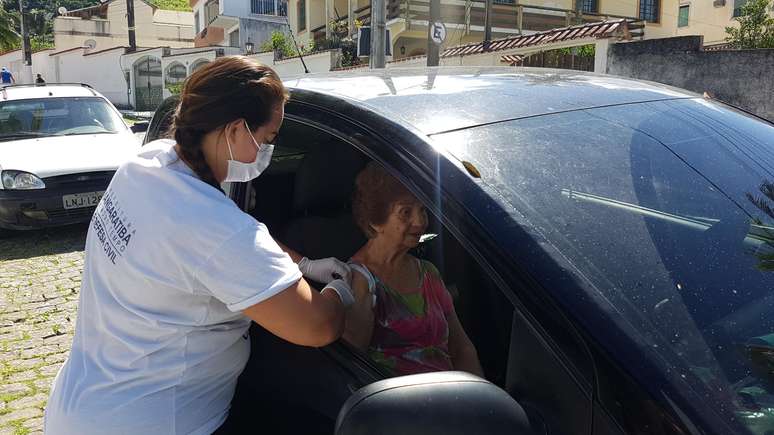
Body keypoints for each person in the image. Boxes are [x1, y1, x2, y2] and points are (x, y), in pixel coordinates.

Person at [44, 56, 355, 435]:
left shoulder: (147, 165)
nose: (266, 152)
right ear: (237, 129)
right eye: (268, 139)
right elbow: (316, 327)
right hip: (155, 423)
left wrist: (303, 264)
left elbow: (229, 242)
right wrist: (344, 289)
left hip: (83, 403)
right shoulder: (210, 226)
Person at [344, 162, 484, 377]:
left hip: (454, 398)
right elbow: (354, 369)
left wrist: (479, 401)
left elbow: (462, 348)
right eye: (405, 212)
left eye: (422, 210)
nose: (420, 222)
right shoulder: (359, 280)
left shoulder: (428, 272)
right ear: (375, 220)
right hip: (403, 405)